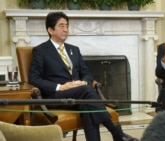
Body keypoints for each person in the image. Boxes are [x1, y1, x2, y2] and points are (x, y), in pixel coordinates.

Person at [28, 11, 138, 141]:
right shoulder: (41, 51)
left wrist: (83, 82)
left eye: (67, 26)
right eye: (61, 26)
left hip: (80, 94)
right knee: (87, 92)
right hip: (56, 96)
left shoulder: (74, 50)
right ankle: (117, 133)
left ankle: (115, 135)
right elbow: (34, 78)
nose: (65, 29)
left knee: (88, 105)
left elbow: (87, 73)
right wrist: (60, 87)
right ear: (50, 30)